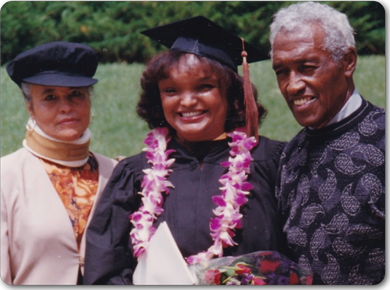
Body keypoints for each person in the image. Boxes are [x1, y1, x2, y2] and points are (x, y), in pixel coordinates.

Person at [83, 16, 302, 285]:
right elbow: (104, 272)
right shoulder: (134, 175)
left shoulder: (272, 162)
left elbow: (306, 257)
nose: (187, 101)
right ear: (158, 99)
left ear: (232, 95)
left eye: (204, 87)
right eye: (171, 90)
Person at [270, 2, 385, 285]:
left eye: (306, 67)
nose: (292, 85)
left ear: (347, 62)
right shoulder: (292, 155)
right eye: (282, 71)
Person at [0, 41, 118, 285]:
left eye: (76, 94)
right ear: (30, 107)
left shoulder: (116, 173)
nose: (66, 107)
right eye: (50, 97)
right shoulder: (5, 177)